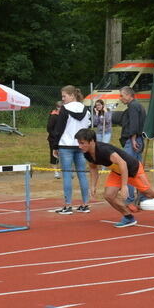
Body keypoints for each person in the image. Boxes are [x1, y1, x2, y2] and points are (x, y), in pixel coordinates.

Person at [76, 129, 154, 227]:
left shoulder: (104, 150)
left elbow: (123, 163)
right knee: (109, 195)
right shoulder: (87, 153)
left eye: (82, 143)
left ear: (92, 141)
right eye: (79, 143)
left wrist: (124, 186)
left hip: (133, 169)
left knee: (148, 192)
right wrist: (93, 186)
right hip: (117, 172)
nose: (79, 146)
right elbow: (93, 168)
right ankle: (128, 217)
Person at [51, 85, 92, 214]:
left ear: (72, 95)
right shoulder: (86, 109)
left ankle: (68, 206)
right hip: (81, 145)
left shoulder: (64, 109)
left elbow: (59, 129)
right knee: (82, 175)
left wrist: (55, 146)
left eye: (64, 96)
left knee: (67, 175)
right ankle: (85, 204)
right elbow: (88, 127)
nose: (63, 99)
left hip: (66, 145)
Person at [119, 86, 146, 206]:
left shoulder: (133, 106)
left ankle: (129, 199)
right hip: (136, 140)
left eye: (122, 95)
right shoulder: (137, 106)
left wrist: (133, 139)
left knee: (128, 169)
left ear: (129, 95)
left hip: (133, 140)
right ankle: (143, 197)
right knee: (138, 170)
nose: (120, 98)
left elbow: (134, 124)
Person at [47, 101, 63, 179]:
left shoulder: (64, 115)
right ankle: (56, 172)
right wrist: (56, 136)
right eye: (59, 107)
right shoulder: (53, 116)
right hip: (53, 139)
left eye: (62, 107)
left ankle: (66, 171)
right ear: (57, 107)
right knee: (54, 155)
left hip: (63, 139)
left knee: (64, 155)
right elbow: (49, 128)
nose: (61, 109)